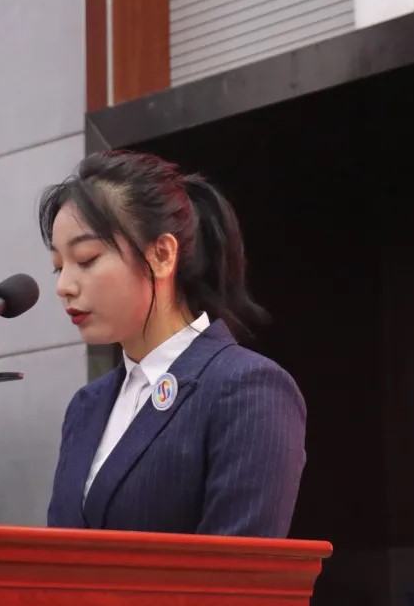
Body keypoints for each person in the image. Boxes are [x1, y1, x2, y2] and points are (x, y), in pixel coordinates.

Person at [38, 149, 306, 537]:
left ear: (162, 255)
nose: (64, 287)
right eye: (58, 267)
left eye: (87, 258)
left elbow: (238, 568)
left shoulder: (248, 388)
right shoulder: (86, 406)